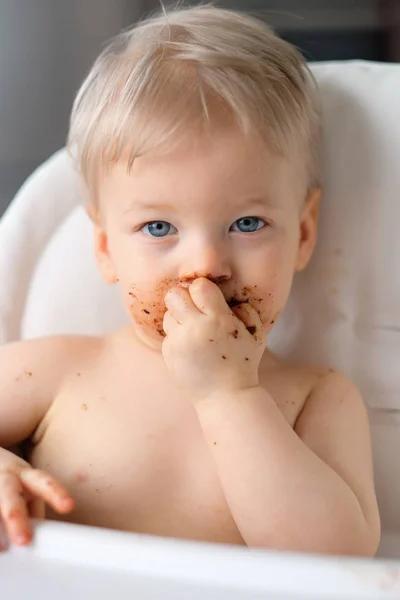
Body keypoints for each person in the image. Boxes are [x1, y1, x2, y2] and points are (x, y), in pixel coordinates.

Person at [0, 4, 380, 556]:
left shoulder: (315, 398)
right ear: (106, 247)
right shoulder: (56, 370)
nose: (205, 265)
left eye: (247, 223)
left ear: (302, 233)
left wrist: (230, 396)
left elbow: (338, 560)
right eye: (159, 226)